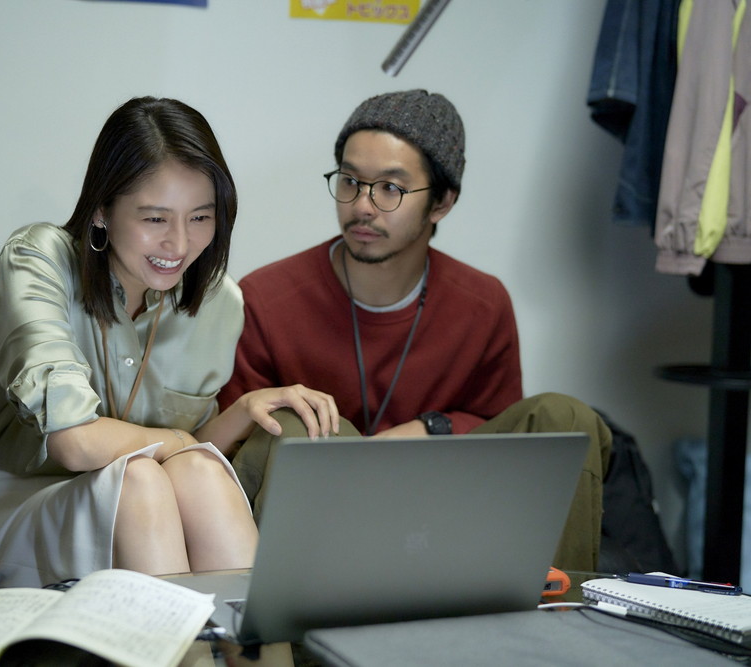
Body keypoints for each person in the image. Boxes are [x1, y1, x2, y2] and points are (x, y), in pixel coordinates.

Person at [0, 96, 339, 589]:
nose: (180, 244)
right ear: (102, 210)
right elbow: (74, 441)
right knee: (140, 479)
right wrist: (181, 443)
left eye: (200, 218)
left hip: (150, 511)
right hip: (18, 513)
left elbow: (182, 453)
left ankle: (249, 636)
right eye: (155, 219)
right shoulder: (38, 259)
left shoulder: (219, 302)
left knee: (197, 470)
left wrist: (242, 411)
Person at [218, 89, 612, 572]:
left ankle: (557, 608)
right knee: (300, 424)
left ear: (441, 202)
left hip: (444, 513)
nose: (363, 205)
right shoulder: (267, 297)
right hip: (318, 534)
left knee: (566, 417)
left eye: (390, 188)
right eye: (350, 181)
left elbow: (502, 436)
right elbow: (236, 452)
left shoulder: (483, 304)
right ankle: (301, 621)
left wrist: (433, 429)